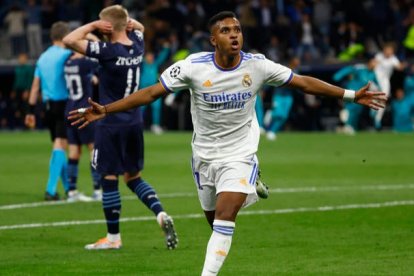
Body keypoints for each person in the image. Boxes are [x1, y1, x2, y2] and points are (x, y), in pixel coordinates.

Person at [69, 11, 387, 275]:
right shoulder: (193, 66)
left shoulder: (257, 65)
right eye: (225, 30)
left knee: (224, 216)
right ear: (213, 39)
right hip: (204, 156)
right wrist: (106, 109)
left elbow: (302, 82)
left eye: (237, 29)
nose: (234, 35)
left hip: (240, 151)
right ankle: (251, 185)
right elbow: (152, 92)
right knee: (214, 219)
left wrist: (351, 95)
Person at [62, 5, 178, 250]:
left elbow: (69, 39)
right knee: (133, 177)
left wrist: (92, 26)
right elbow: (139, 27)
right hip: (134, 120)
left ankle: (113, 238)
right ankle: (160, 213)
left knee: (109, 177)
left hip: (109, 121)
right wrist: (125, 22)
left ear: (106, 27)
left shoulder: (107, 50)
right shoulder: (137, 43)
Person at [25, 21, 72, 201]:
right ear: (65, 36)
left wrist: (30, 111)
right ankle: (50, 190)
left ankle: (68, 189)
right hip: (64, 104)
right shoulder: (67, 55)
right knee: (60, 145)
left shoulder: (42, 57)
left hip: (47, 107)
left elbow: (35, 86)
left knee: (58, 146)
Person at [64, 49, 101, 202]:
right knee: (93, 149)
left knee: (74, 151)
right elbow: (101, 63)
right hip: (84, 111)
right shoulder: (86, 63)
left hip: (69, 109)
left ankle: (72, 191)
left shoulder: (68, 63)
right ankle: (98, 189)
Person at [333, 57, 380, 134]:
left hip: (360, 95)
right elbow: (350, 69)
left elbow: (377, 83)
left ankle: (351, 127)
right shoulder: (360, 68)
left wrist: (380, 92)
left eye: (376, 63)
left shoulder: (372, 74)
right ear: (369, 62)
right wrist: (338, 75)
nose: (375, 65)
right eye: (374, 62)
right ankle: (347, 126)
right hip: (351, 91)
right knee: (350, 109)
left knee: (357, 111)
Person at [265, 56, 301, 140]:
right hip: (279, 95)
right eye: (296, 61)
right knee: (277, 114)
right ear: (292, 61)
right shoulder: (284, 69)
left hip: (288, 97)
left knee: (284, 116)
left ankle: (272, 131)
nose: (298, 63)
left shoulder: (296, 71)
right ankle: (269, 128)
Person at [140, 43, 170, 134]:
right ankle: (139, 125)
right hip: (143, 90)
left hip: (154, 90)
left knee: (157, 107)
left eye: (152, 56)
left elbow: (162, 57)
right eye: (149, 56)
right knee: (141, 108)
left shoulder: (155, 65)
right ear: (145, 57)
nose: (151, 58)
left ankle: (155, 125)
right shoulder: (142, 64)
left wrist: (166, 49)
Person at [372, 43, 404, 130]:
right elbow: (371, 65)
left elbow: (400, 67)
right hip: (375, 80)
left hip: (385, 81)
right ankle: (373, 110)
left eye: (390, 50)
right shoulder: (379, 56)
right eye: (387, 49)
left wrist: (402, 65)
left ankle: (377, 119)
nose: (388, 52)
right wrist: (373, 63)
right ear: (384, 50)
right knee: (372, 95)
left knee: (383, 99)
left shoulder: (393, 59)